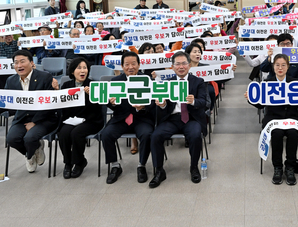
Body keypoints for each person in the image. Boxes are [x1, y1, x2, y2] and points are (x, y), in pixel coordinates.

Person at [149, 51, 208, 188]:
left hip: (191, 118)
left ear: (189, 65)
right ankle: (159, 171)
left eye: (184, 64)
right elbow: (162, 106)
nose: (181, 67)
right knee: (156, 136)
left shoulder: (198, 81)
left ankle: (194, 167)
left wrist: (193, 101)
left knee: (194, 135)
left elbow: (204, 102)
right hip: (172, 118)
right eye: (178, 64)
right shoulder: (167, 83)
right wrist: (162, 104)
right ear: (172, 67)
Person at [247, 54, 298, 185]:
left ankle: (290, 166)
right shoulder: (267, 83)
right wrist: (251, 100)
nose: (280, 68)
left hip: (291, 118)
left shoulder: (295, 83)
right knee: (277, 133)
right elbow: (261, 105)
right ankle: (277, 167)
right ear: (273, 67)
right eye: (277, 65)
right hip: (273, 118)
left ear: (288, 67)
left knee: (292, 133)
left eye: (283, 65)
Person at [101, 51, 156, 184]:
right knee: (106, 134)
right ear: (122, 66)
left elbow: (154, 101)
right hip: (121, 118)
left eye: (133, 64)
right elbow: (111, 103)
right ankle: (115, 166)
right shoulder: (115, 81)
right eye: (127, 64)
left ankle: (141, 165)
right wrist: (111, 102)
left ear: (139, 64)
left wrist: (144, 106)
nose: (130, 67)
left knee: (147, 134)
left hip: (142, 118)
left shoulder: (147, 80)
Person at [5, 50, 60, 173]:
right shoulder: (11, 81)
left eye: (22, 61)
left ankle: (30, 154)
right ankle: (32, 152)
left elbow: (51, 104)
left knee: (30, 138)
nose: (19, 65)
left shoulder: (45, 77)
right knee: (11, 139)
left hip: (44, 118)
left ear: (31, 63)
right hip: (22, 118)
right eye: (16, 63)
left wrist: (34, 122)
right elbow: (8, 102)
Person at [58, 58, 103, 179]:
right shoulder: (66, 86)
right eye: (79, 68)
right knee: (63, 133)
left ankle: (79, 163)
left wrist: (92, 95)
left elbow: (99, 107)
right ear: (72, 71)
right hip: (72, 119)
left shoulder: (94, 85)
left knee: (76, 133)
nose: (83, 71)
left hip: (91, 120)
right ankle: (68, 163)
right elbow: (62, 106)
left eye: (85, 68)